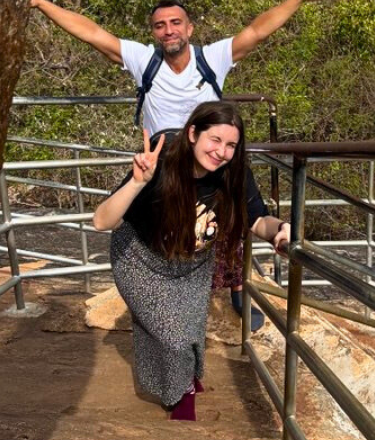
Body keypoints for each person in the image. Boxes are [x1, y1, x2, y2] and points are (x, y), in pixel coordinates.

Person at [30, 0, 334, 323]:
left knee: (234, 206)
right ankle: (168, 285)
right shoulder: (144, 60)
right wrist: (40, 3)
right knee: (171, 222)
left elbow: (257, 31)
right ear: (153, 33)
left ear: (190, 27)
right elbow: (91, 32)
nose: (168, 30)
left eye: (175, 23)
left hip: (212, 155)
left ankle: (238, 286)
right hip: (167, 160)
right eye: (160, 26)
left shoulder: (211, 57)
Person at [92, 103, 290, 420]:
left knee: (191, 332)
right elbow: (102, 221)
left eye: (230, 145)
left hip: (192, 264)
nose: (222, 152)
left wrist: (281, 230)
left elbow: (257, 221)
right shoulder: (163, 161)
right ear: (193, 133)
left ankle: (186, 378)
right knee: (174, 338)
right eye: (215, 140)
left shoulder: (234, 173)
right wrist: (138, 182)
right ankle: (180, 397)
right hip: (140, 258)